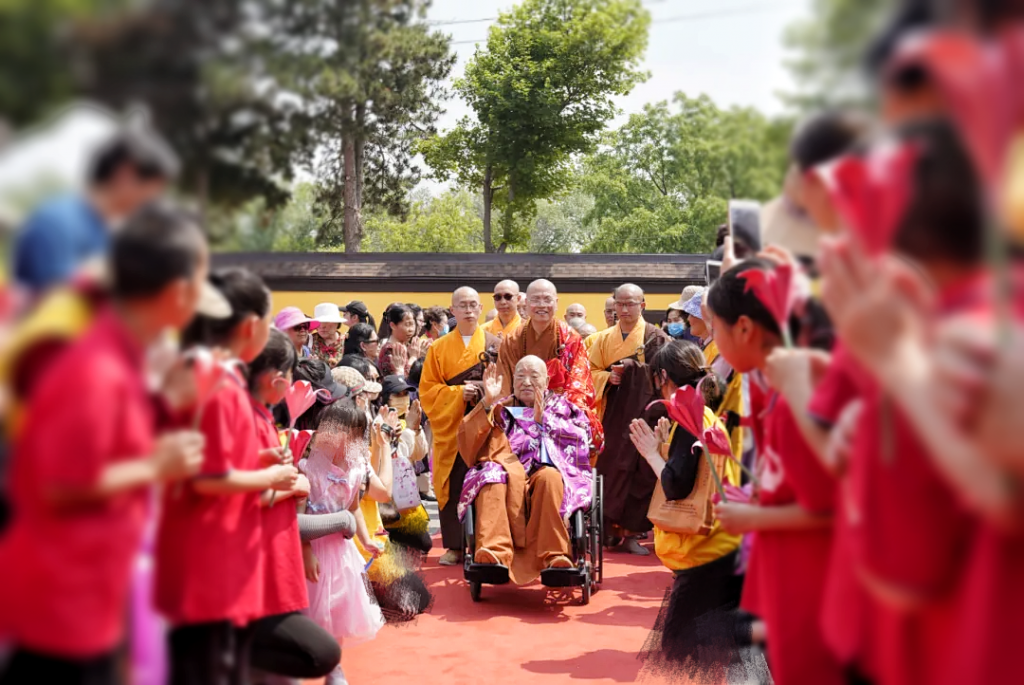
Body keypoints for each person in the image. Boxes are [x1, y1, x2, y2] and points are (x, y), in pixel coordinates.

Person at [0, 205, 207, 684]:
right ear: (176, 292)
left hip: (87, 594)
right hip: (59, 601)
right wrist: (157, 464)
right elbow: (59, 484)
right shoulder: (96, 369)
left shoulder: (117, 359)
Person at [156, 268, 301, 685]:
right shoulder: (218, 385)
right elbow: (209, 477)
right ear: (251, 325)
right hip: (211, 556)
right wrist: (270, 476)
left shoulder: (207, 376)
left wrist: (256, 460)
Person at [706, 259, 844, 685]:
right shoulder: (789, 391)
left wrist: (754, 517)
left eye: (715, 327)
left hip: (811, 590)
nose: (712, 339)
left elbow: (836, 512)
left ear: (744, 327)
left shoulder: (795, 400)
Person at [629, 340, 747, 680]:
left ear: (663, 376)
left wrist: (653, 452)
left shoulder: (691, 418)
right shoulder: (704, 414)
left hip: (704, 560)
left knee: (683, 658)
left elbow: (677, 486)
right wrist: (667, 446)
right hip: (724, 550)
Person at [246, 330, 341, 685]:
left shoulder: (260, 419)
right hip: (257, 563)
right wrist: (290, 486)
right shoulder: (246, 420)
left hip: (273, 555)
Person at [457, 357, 594, 582]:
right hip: (506, 473)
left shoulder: (561, 407)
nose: (526, 382)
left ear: (547, 380)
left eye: (534, 376)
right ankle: (494, 552)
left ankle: (554, 555)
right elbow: (469, 445)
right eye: (520, 376)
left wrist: (545, 421)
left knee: (550, 478)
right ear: (512, 380)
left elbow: (581, 439)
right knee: (490, 476)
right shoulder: (500, 408)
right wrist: (487, 404)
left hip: (542, 472)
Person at [13, 125, 179, 296]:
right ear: (125, 174)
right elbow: (54, 299)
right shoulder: (57, 222)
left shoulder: (110, 231)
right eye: (157, 189)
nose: (157, 201)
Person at [299, 402, 385, 685]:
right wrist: (306, 552)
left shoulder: (356, 470)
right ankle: (297, 664)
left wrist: (366, 539)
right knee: (309, 613)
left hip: (341, 553)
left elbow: (354, 507)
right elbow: (298, 520)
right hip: (312, 552)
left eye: (352, 434)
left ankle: (333, 668)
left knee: (336, 611)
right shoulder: (307, 469)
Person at [419, 286, 500, 566]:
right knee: (452, 485)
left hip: (483, 425)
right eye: (462, 305)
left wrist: (479, 391)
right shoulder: (439, 348)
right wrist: (456, 394)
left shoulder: (494, 343)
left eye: (473, 305)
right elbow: (427, 391)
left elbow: (505, 387)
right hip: (450, 428)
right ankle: (454, 546)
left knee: (484, 482)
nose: (468, 310)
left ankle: (484, 543)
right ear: (452, 310)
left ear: (480, 308)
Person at [588, 283, 668, 555]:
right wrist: (606, 377)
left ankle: (632, 533)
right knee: (610, 471)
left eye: (630, 303)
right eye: (619, 304)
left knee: (639, 473)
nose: (623, 309)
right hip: (612, 414)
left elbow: (663, 377)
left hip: (643, 414)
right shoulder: (602, 339)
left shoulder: (656, 337)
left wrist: (633, 369)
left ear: (642, 305)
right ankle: (610, 531)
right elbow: (588, 372)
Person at [496, 279, 603, 458]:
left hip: (559, 417)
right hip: (519, 414)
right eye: (536, 300)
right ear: (526, 303)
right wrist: (519, 410)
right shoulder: (512, 340)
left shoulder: (570, 339)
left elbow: (579, 386)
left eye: (547, 299)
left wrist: (550, 413)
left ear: (556, 302)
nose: (541, 305)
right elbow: (504, 385)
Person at [378, 304, 426, 378]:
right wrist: (413, 358)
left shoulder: (406, 346)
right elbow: (401, 382)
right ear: (393, 325)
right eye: (407, 324)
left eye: (412, 324)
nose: (411, 329)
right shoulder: (390, 350)